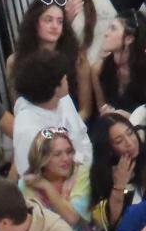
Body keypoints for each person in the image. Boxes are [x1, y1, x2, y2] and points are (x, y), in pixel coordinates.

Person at [10, 48, 92, 177]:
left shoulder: (64, 99)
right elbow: (31, 176)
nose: (67, 78)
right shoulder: (26, 129)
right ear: (54, 88)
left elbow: (81, 136)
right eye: (63, 77)